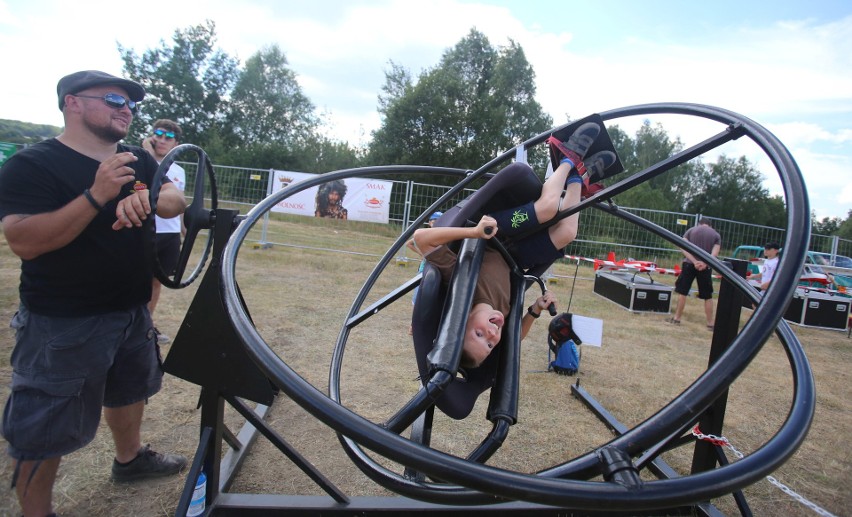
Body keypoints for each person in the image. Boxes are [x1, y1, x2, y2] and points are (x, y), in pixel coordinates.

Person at [0, 70, 188, 517]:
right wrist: (97, 195)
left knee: (129, 391)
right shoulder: (33, 164)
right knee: (42, 425)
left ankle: (129, 460)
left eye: (129, 103)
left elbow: (174, 199)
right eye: (112, 98)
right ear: (72, 103)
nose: (125, 108)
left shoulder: (136, 162)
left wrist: (149, 200)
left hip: (130, 309)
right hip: (62, 322)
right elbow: (24, 240)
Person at [407, 122, 614, 367]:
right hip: (516, 257)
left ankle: (566, 157)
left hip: (494, 233)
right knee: (567, 232)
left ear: (460, 324)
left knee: (548, 208)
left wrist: (473, 231)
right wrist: (535, 310)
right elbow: (514, 338)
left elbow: (420, 238)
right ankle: (579, 179)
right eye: (490, 344)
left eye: (479, 334)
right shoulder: (502, 316)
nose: (492, 335)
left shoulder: (460, 288)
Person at [141, 119, 185, 344]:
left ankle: (147, 324)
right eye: (158, 134)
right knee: (137, 279)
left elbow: (179, 205)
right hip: (146, 231)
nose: (161, 140)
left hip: (170, 233)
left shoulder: (178, 171)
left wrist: (185, 229)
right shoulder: (140, 163)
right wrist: (146, 153)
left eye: (168, 137)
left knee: (157, 281)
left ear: (176, 142)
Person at [667, 218, 722, 329]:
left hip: (689, 264)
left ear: (699, 223)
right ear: (710, 225)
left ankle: (677, 318)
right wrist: (705, 263)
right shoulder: (716, 235)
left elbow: (683, 246)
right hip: (705, 267)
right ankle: (710, 323)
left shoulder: (691, 230)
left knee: (683, 292)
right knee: (707, 295)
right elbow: (715, 253)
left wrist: (694, 261)